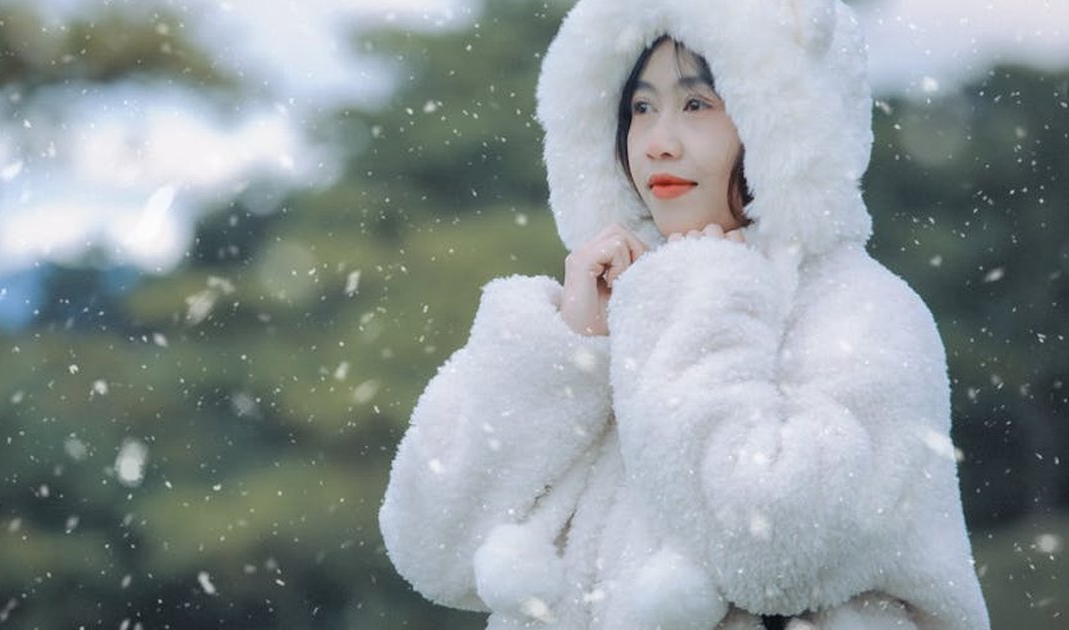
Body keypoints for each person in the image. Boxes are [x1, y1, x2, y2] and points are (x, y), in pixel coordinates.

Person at [378, 0, 991, 628]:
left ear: (786, 120)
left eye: (697, 104)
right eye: (640, 109)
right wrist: (568, 351)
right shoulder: (615, 303)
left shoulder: (866, 313)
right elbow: (433, 549)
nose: (658, 144)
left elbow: (774, 556)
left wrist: (704, 301)